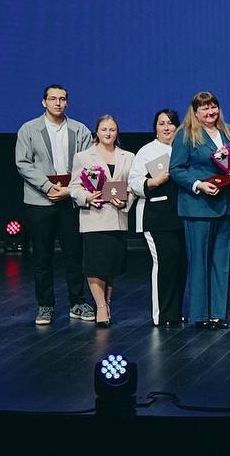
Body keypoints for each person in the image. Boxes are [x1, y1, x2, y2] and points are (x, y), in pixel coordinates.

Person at [15, 84, 94, 325]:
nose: (58, 103)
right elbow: (23, 163)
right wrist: (48, 187)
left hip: (70, 200)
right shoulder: (29, 129)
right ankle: (45, 305)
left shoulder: (79, 129)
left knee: (74, 254)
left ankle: (77, 302)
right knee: (42, 256)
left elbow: (88, 163)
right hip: (40, 201)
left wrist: (69, 190)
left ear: (67, 102)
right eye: (53, 99)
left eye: (62, 99)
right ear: (44, 102)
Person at [170, 91, 230, 330]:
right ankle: (200, 315)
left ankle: (218, 314)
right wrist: (198, 184)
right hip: (198, 207)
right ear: (195, 111)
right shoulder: (186, 134)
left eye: (214, 107)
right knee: (199, 262)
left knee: (221, 263)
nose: (211, 112)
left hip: (226, 206)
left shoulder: (228, 131)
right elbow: (176, 169)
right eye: (205, 108)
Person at [70, 115, 134, 327]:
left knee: (111, 265)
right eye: (104, 129)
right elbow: (74, 187)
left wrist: (125, 201)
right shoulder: (83, 157)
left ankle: (107, 303)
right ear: (96, 131)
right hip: (94, 218)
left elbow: (132, 186)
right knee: (95, 265)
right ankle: (100, 307)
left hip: (117, 217)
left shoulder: (128, 156)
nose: (108, 133)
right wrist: (88, 197)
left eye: (112, 129)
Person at [129, 108, 185, 327]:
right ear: (155, 127)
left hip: (180, 216)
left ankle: (176, 312)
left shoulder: (183, 147)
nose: (166, 127)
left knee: (180, 264)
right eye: (162, 123)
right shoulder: (147, 151)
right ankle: (163, 314)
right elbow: (133, 181)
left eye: (170, 123)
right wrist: (152, 182)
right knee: (165, 263)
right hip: (156, 217)